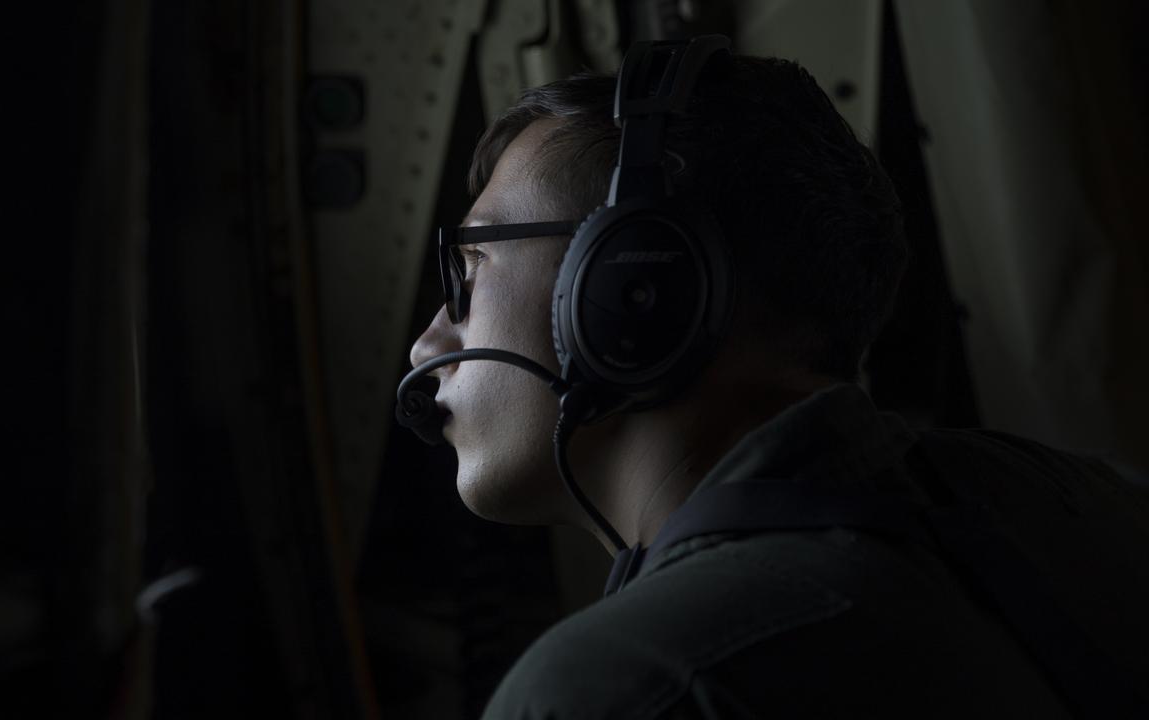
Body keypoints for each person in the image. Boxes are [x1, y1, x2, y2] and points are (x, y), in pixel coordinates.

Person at [403, 38, 1149, 719]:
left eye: (468, 269)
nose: (426, 344)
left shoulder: (620, 690)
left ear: (633, 283)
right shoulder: (1097, 506)